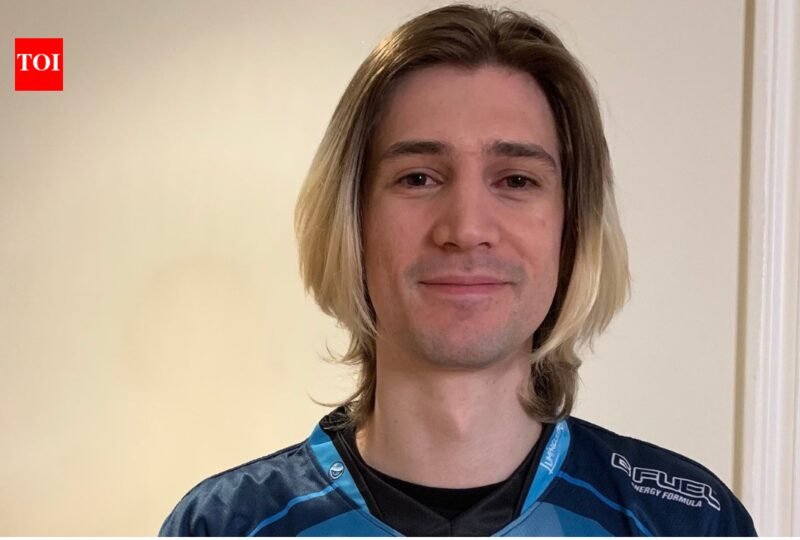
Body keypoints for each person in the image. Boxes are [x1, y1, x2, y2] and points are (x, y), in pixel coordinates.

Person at [160, 3, 756, 536]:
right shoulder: (226, 526)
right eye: (418, 177)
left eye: (516, 179)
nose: (466, 228)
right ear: (352, 218)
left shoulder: (686, 523)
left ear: (573, 227)